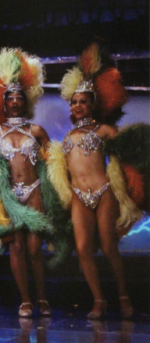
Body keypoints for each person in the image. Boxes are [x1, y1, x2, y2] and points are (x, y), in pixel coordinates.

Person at [53, 43, 142, 318]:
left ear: (92, 105)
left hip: (104, 193)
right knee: (82, 248)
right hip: (80, 197)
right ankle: (99, 301)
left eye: (84, 101)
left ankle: (124, 298)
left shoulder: (104, 130)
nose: (78, 105)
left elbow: (126, 151)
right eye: (75, 102)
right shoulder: (67, 139)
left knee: (107, 245)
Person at [0, 48, 52, 317]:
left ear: (27, 102)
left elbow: (52, 165)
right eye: (9, 97)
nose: (14, 101)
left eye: (18, 97)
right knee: (17, 246)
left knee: (35, 249)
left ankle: (42, 297)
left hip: (34, 190)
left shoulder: (36, 131)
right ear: (2, 102)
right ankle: (25, 300)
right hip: (9, 194)